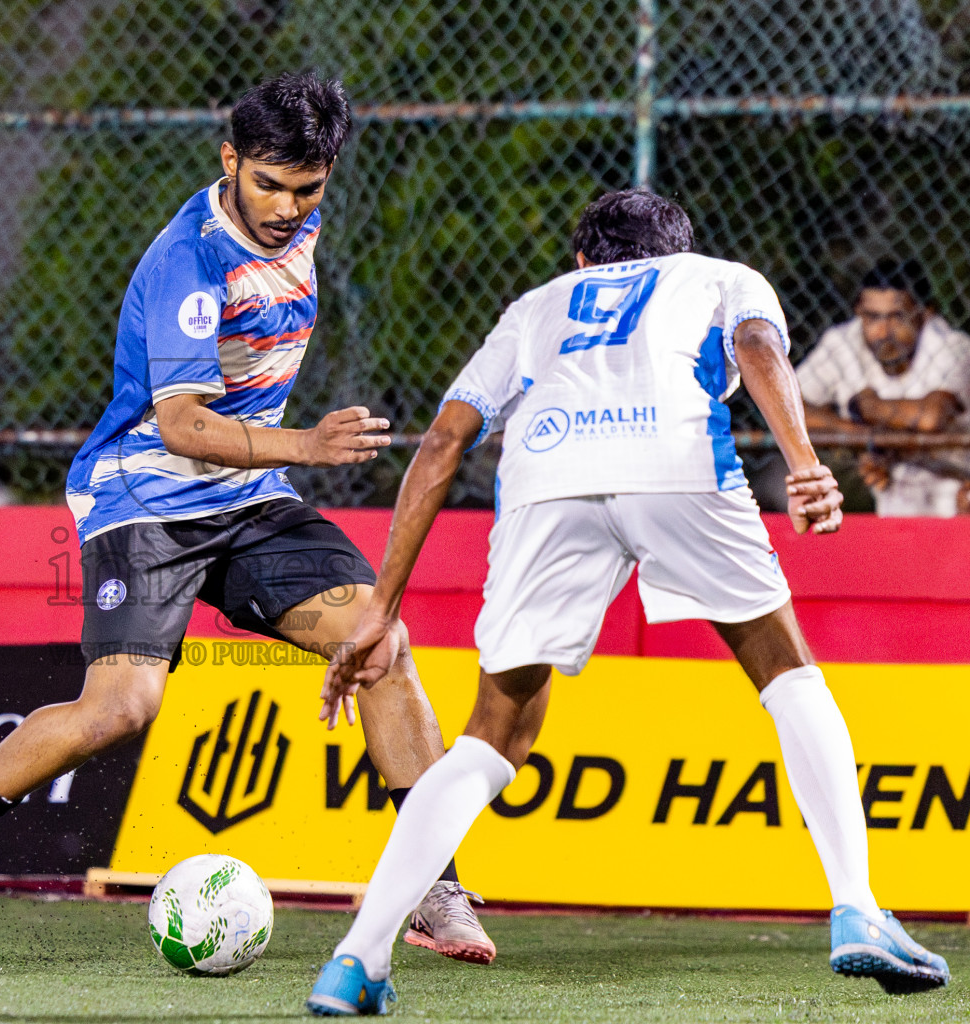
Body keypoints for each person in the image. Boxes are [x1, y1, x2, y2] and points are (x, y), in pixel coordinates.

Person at [0, 71, 493, 964]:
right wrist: (308, 446)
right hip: (146, 496)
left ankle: (435, 890)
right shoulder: (189, 263)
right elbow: (183, 426)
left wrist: (283, 457)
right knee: (121, 708)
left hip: (247, 499)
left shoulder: (298, 219)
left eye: (308, 189)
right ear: (229, 159)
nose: (286, 208)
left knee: (381, 644)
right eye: (268, 185)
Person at [304, 190, 949, 1015]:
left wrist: (382, 608)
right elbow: (757, 346)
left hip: (547, 480)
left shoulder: (537, 305)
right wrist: (804, 463)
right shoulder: (719, 275)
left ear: (582, 262)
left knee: (490, 736)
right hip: (676, 460)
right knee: (789, 674)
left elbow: (441, 442)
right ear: (679, 249)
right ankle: (857, 907)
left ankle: (356, 959)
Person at [797, 259, 970, 516]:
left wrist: (867, 407)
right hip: (877, 475)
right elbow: (787, 406)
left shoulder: (951, 345)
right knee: (796, 483)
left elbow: (929, 418)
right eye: (872, 317)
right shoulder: (842, 341)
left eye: (897, 317)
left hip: (950, 478)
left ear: (925, 313)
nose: (883, 331)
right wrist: (862, 437)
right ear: (859, 311)